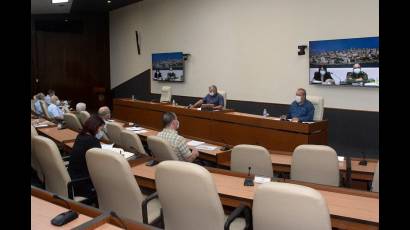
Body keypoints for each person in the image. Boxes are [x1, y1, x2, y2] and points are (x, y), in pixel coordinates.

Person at [68, 115, 104, 198]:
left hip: (73, 179)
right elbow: (99, 165)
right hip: (85, 184)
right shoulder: (93, 141)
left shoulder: (80, 136)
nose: (101, 133)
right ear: (95, 127)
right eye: (101, 129)